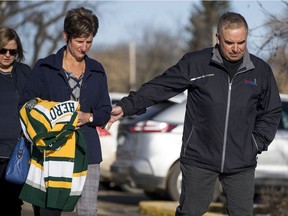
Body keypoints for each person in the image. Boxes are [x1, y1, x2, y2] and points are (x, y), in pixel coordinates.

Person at [107, 12, 282, 216]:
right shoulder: (196, 63)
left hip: (241, 162)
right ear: (217, 38)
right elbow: (161, 87)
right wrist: (126, 107)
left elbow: (271, 111)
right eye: (229, 42)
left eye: (241, 42)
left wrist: (255, 143)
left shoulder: (260, 71)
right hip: (200, 158)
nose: (236, 48)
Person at [18, 7, 111, 216]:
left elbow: (105, 111)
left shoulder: (97, 70)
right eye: (79, 41)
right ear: (66, 36)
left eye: (89, 41)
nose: (84, 47)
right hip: (53, 151)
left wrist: (89, 117)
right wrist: (54, 116)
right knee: (49, 211)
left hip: (88, 152)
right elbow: (26, 105)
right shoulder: (45, 68)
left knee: (87, 211)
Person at [0, 27, 31, 216]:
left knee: (11, 206)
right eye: (2, 50)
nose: (7, 55)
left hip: (15, 154)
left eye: (12, 51)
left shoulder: (24, 73)